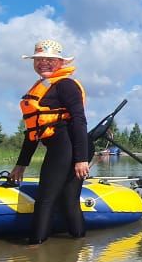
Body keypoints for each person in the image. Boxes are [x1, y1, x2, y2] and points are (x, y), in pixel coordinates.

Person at [10, 39, 91, 245]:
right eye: (38, 59)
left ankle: (35, 247)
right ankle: (78, 244)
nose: (43, 63)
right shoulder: (42, 88)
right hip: (61, 147)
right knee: (67, 200)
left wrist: (81, 159)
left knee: (46, 198)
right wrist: (21, 164)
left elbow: (79, 120)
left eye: (49, 60)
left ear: (61, 62)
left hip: (69, 145)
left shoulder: (66, 85)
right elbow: (33, 131)